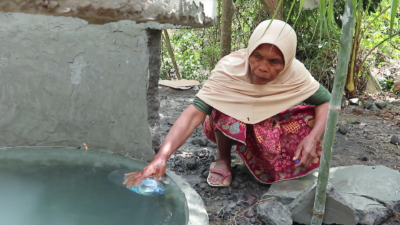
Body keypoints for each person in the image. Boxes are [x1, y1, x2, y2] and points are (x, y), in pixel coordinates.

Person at [123, 19, 330, 188]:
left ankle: (264, 162)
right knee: (224, 108)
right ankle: (223, 158)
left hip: (267, 124)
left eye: (274, 62)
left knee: (314, 120)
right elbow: (194, 113)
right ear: (249, 52)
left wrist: (313, 138)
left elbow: (327, 102)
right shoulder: (230, 69)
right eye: (257, 56)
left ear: (287, 61)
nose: (262, 67)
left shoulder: (295, 73)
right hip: (228, 121)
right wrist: (162, 157)